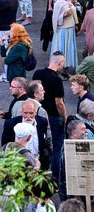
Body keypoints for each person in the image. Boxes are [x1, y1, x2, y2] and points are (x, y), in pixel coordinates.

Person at [33, 52, 68, 180]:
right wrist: (65, 118)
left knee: (41, 145)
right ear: (59, 63)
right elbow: (59, 103)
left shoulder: (38, 74)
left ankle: (39, 176)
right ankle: (55, 178)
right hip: (53, 116)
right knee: (57, 148)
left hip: (38, 114)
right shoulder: (57, 80)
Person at [1, 101, 51, 168]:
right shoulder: (10, 124)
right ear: (21, 112)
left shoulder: (42, 121)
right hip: (19, 163)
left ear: (35, 112)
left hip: (39, 161)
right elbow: (5, 144)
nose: (28, 116)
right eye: (25, 113)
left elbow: (44, 140)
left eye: (31, 113)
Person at [52, 0, 79, 70]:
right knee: (62, 49)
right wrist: (64, 14)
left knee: (69, 49)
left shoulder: (69, 0)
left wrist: (74, 4)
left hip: (70, 28)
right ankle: (60, 68)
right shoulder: (59, 3)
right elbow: (55, 19)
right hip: (63, 30)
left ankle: (66, 66)